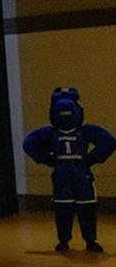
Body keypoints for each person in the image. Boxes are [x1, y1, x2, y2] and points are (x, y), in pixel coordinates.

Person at [23, 87, 115, 252]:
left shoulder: (82, 132)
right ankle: (69, 240)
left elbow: (109, 141)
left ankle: (85, 240)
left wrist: (93, 157)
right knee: (65, 209)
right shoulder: (55, 133)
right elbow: (29, 143)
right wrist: (47, 158)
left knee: (83, 209)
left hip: (76, 175)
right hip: (69, 176)